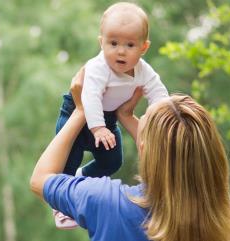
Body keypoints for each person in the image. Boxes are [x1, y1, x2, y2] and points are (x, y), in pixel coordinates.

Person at [31, 68, 230, 241]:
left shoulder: (107, 202)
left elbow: (40, 179)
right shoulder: (215, 223)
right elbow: (172, 155)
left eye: (143, 119)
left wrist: (80, 111)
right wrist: (125, 115)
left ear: (143, 146)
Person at [53, 2, 168, 228]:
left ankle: (81, 175)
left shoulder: (144, 71)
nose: (121, 51)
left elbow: (158, 93)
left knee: (112, 161)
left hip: (107, 119)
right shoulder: (98, 67)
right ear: (101, 42)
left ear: (144, 48)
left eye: (130, 44)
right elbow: (91, 95)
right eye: (113, 43)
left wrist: (164, 115)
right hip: (80, 113)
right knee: (67, 161)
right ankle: (61, 206)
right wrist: (97, 128)